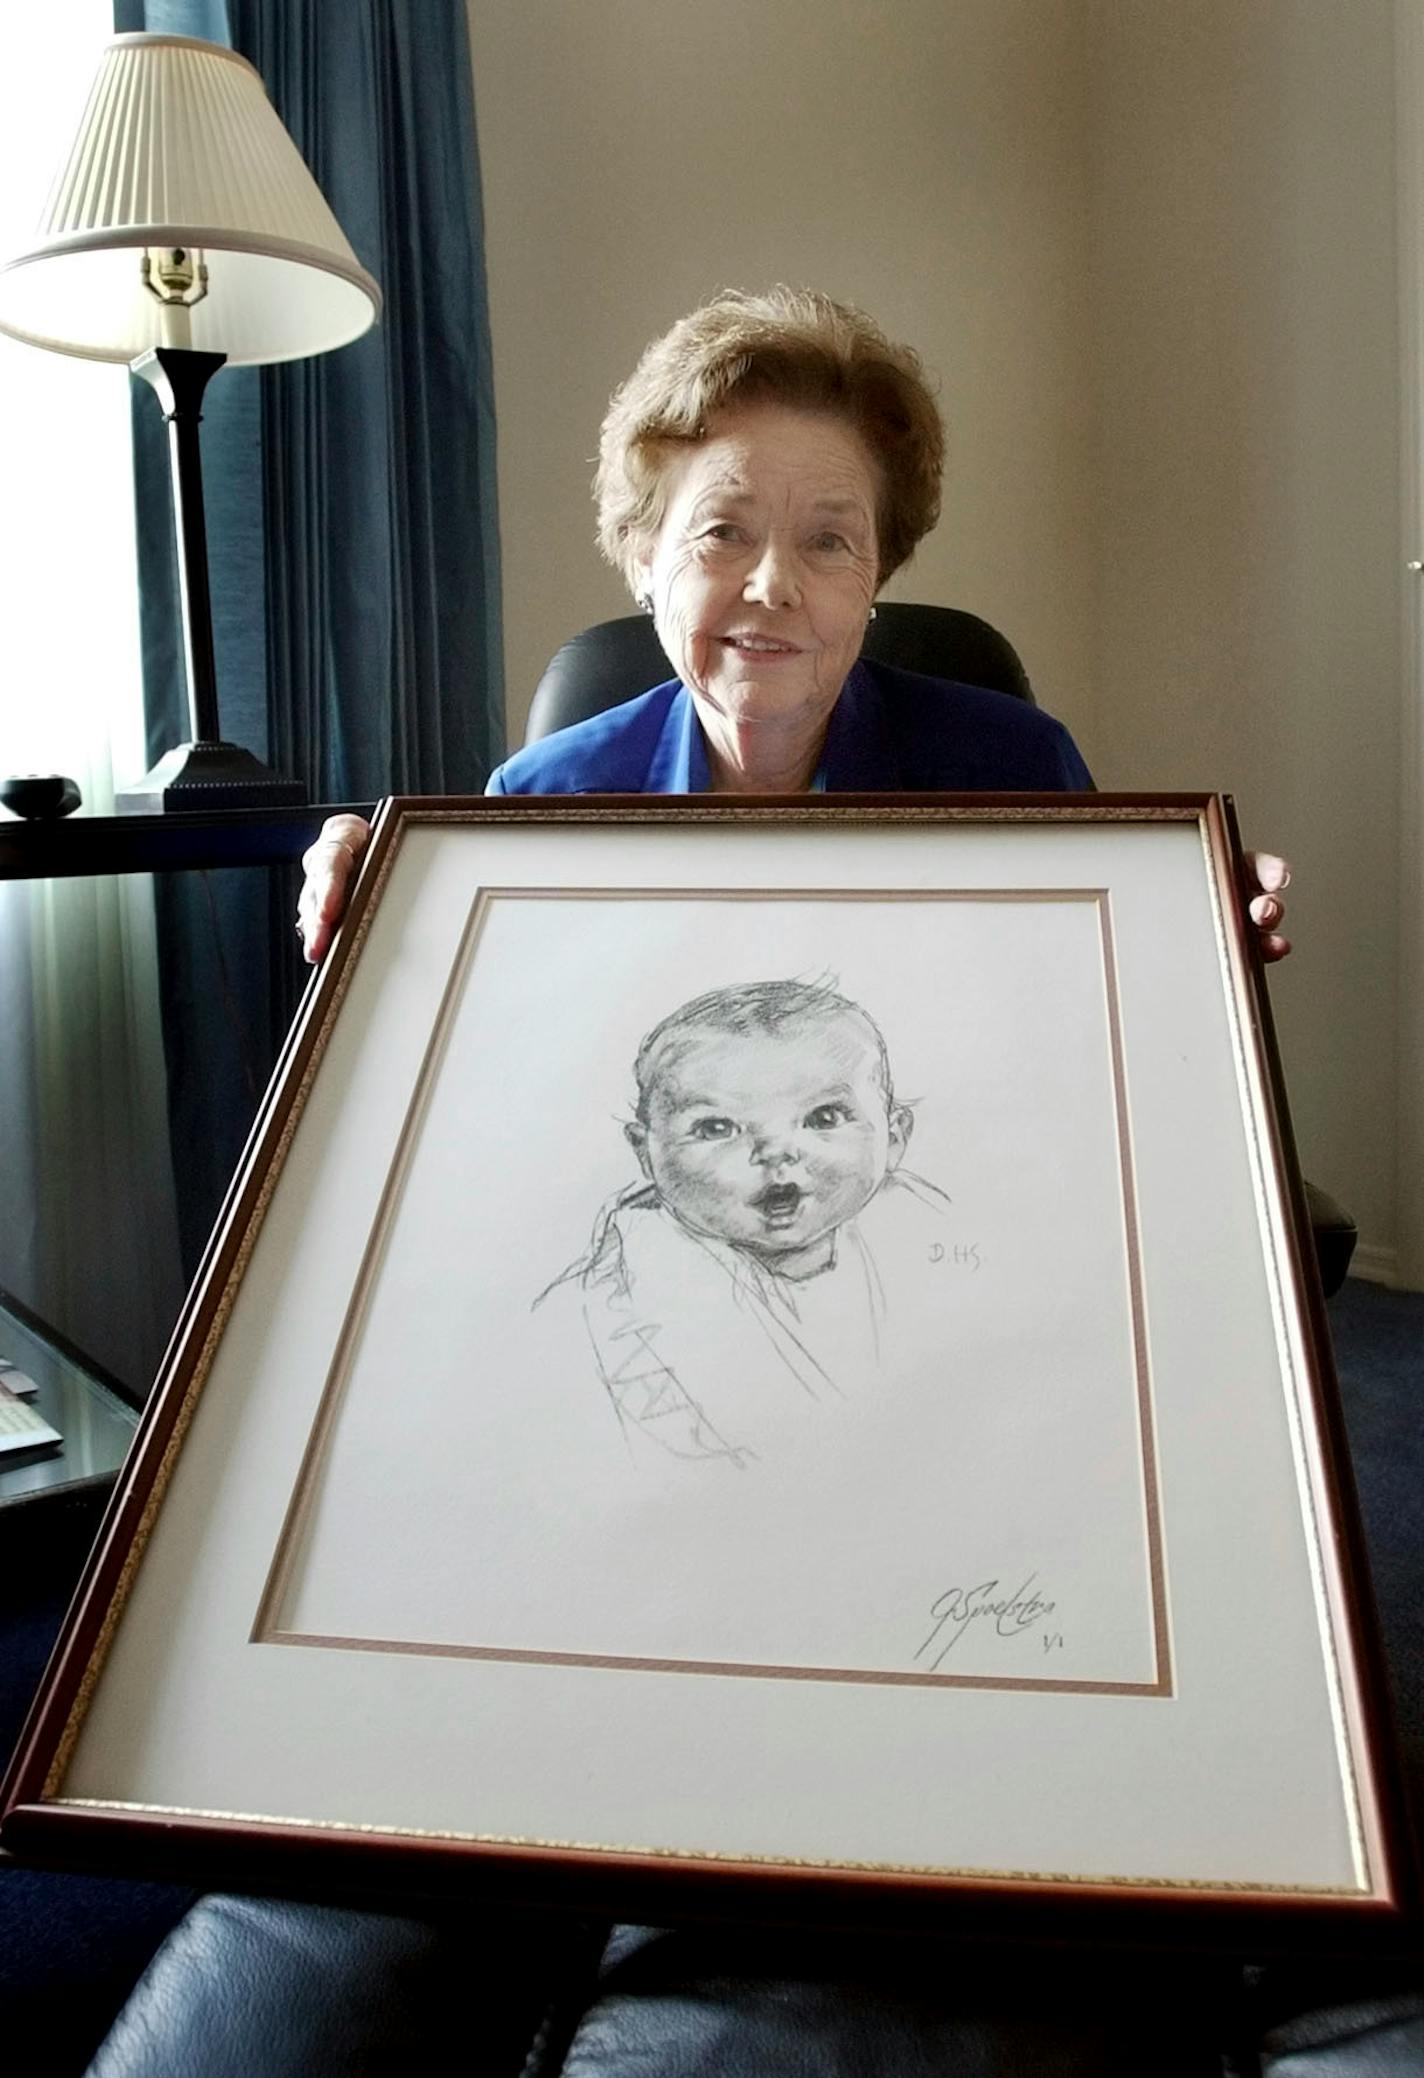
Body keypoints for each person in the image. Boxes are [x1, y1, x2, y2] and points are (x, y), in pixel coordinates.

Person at [295, 285, 1291, 960]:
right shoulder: (543, 798)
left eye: (826, 541)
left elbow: (1094, 1015)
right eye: (723, 529)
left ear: (875, 576)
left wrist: (1191, 928)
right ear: (643, 557)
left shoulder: (1014, 765)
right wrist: (392, 919)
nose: (773, 584)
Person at [533, 977, 952, 1469]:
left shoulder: (932, 1238)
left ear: (895, 1136)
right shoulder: (605, 1312)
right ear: (645, 1153)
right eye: (716, 1128)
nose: (776, 1153)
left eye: (823, 1117)